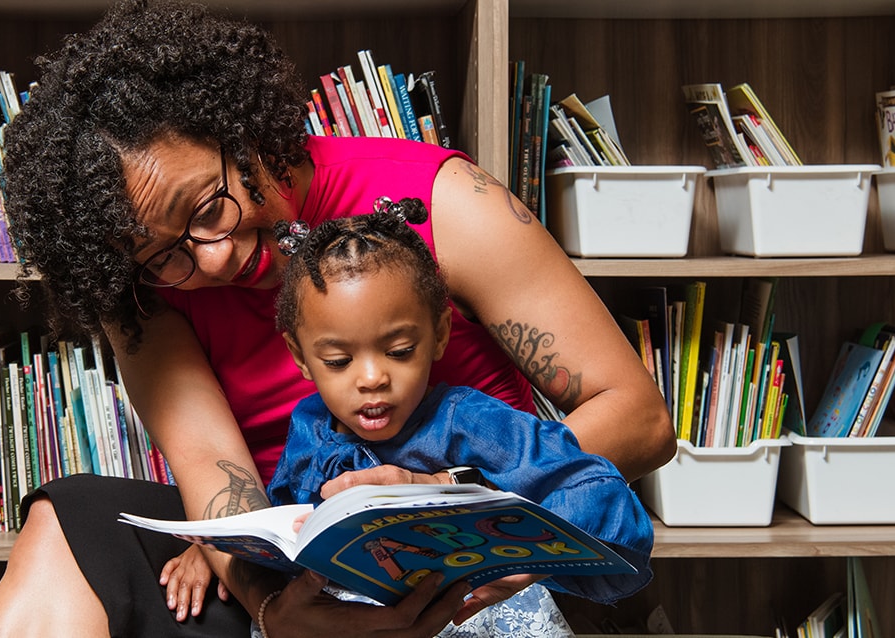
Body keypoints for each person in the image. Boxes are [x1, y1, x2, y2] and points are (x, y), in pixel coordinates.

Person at [0, 1, 675, 637]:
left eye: (209, 209)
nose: (212, 261)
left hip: (473, 544)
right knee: (63, 521)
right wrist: (276, 613)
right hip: (294, 558)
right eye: (165, 254)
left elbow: (641, 418)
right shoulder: (147, 294)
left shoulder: (444, 200)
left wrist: (445, 503)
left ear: (236, 128)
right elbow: (218, 482)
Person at [262, 198, 653, 636]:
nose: (371, 378)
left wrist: (522, 547)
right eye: (338, 360)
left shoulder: (468, 420)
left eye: (399, 352)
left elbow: (603, 496)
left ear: (440, 334)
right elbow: (280, 524)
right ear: (300, 356)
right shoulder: (309, 425)